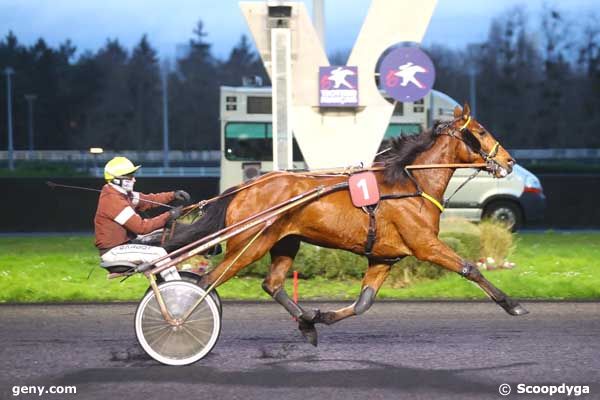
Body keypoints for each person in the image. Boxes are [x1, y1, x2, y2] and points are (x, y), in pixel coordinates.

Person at [94, 156, 190, 279]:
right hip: (113, 252)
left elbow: (149, 200)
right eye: (129, 177)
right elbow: (142, 227)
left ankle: (167, 283)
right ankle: (176, 289)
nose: (134, 180)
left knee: (162, 236)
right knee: (158, 253)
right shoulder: (113, 201)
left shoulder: (123, 194)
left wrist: (172, 195)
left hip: (123, 245)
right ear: (117, 180)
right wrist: (169, 216)